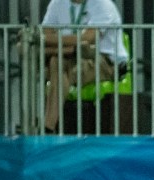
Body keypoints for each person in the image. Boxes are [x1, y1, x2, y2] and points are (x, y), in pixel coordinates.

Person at [41, 0, 128, 134]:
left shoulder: (102, 4)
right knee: (55, 62)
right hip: (72, 55)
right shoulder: (57, 3)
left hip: (106, 61)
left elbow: (88, 39)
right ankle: (48, 127)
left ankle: (46, 128)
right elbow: (45, 34)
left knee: (61, 70)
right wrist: (72, 45)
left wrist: (51, 41)